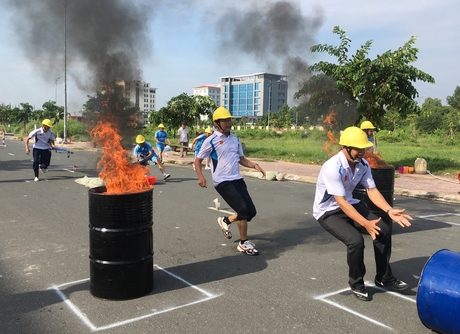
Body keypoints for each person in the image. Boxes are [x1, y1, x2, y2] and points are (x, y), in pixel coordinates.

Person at [313, 126, 413, 301]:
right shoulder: (332, 168)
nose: (362, 152)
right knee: (356, 241)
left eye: (364, 148)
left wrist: (389, 210)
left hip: (350, 203)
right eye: (358, 149)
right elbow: (341, 202)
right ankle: (357, 283)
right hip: (328, 212)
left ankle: (383, 277)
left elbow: (372, 191)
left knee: (383, 229)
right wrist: (365, 223)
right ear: (345, 148)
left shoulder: (363, 164)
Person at [194, 107, 266, 256]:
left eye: (229, 120)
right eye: (225, 120)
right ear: (216, 123)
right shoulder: (211, 140)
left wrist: (255, 166)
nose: (228, 123)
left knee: (251, 211)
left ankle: (226, 220)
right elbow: (198, 160)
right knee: (242, 209)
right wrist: (200, 176)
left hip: (237, 179)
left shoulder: (235, 139)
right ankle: (243, 243)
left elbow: (241, 159)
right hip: (222, 182)